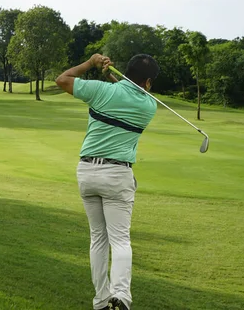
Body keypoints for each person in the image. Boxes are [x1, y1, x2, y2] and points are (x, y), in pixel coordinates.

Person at [55, 53, 160, 310]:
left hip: (87, 172)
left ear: (125, 71)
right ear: (147, 82)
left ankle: (101, 300)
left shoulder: (100, 91)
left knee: (98, 238)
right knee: (120, 240)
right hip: (117, 175)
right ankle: (121, 296)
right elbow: (128, 95)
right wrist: (111, 77)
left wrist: (91, 65)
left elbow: (62, 79)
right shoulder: (149, 106)